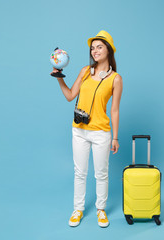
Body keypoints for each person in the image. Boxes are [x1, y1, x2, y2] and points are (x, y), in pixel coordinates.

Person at [51, 30, 123, 228]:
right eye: (92, 48)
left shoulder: (115, 79)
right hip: (79, 130)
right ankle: (78, 209)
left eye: (99, 47)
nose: (95, 51)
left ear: (109, 50)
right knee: (79, 172)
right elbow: (70, 95)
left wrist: (115, 137)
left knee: (101, 173)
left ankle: (101, 209)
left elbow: (115, 110)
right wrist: (59, 77)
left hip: (101, 132)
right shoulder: (84, 71)